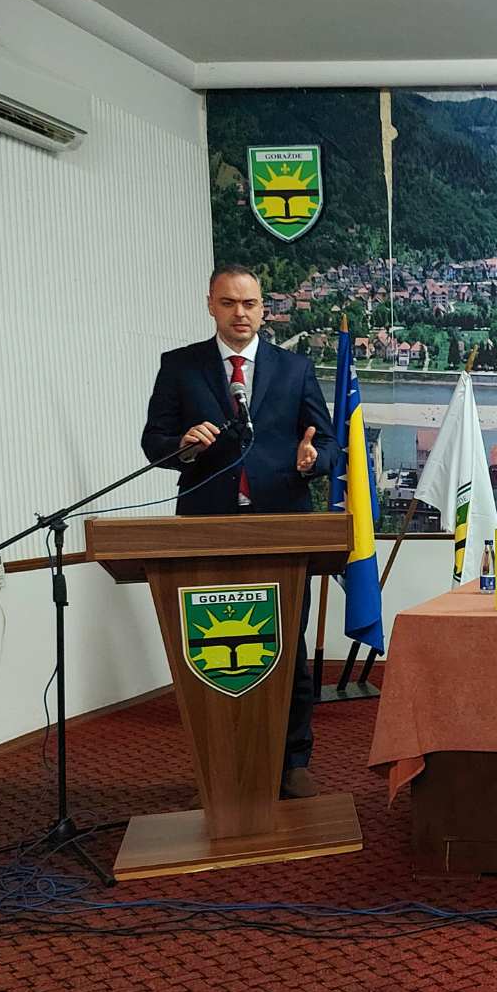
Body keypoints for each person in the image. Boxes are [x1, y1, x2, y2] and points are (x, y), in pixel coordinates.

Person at [141, 264, 339, 799]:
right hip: (207, 526)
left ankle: (293, 762)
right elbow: (154, 443)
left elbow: (327, 443)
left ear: (264, 309)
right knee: (210, 643)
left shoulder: (294, 368)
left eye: (249, 304)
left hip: (281, 526)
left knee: (286, 647)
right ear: (210, 305)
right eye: (228, 303)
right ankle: (221, 763)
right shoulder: (180, 366)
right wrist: (183, 445)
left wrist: (312, 461)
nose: (240, 313)